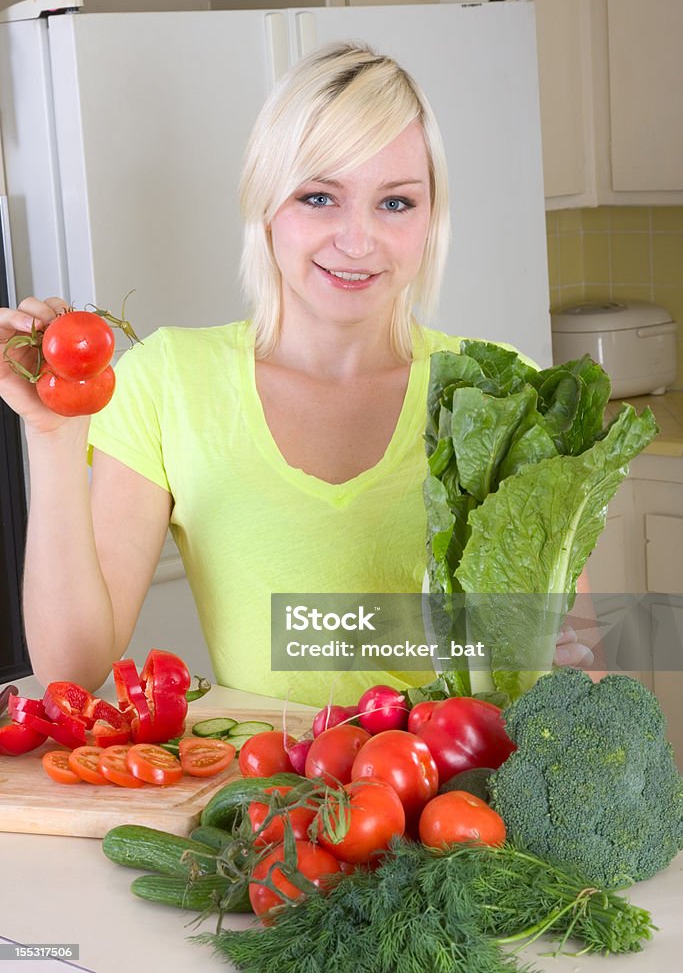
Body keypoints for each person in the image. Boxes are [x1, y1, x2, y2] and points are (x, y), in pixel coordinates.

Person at [0, 42, 593, 707]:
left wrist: (553, 652)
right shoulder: (168, 381)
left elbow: (577, 665)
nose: (357, 239)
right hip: (271, 800)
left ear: (430, 220)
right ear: (264, 206)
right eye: (319, 197)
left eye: (395, 203)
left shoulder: (501, 392)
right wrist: (52, 441)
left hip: (464, 803)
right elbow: (72, 669)